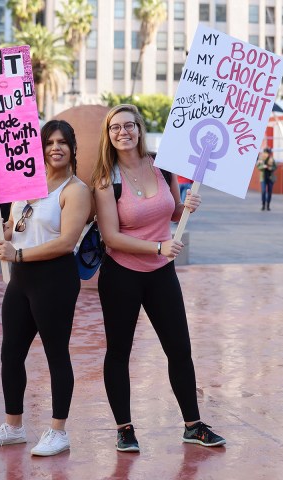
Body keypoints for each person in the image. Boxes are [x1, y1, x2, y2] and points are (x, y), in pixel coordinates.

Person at [91, 104, 226, 452]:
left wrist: (188, 205)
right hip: (122, 274)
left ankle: (193, 425)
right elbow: (111, 237)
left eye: (129, 125)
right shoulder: (108, 178)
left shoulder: (162, 166)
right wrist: (157, 247)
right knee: (119, 352)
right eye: (115, 127)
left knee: (180, 349)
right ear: (109, 135)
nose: (123, 132)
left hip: (161, 273)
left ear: (140, 128)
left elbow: (173, 210)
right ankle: (124, 429)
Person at [0, 120, 91, 456]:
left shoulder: (75, 190)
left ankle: (58, 431)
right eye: (49, 142)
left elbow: (67, 242)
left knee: (56, 354)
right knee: (11, 353)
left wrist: (18, 252)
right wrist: (1, 229)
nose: (55, 148)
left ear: (72, 148)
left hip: (54, 278)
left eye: (62, 142)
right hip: (21, 279)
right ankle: (13, 426)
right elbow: (17, 228)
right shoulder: (27, 183)